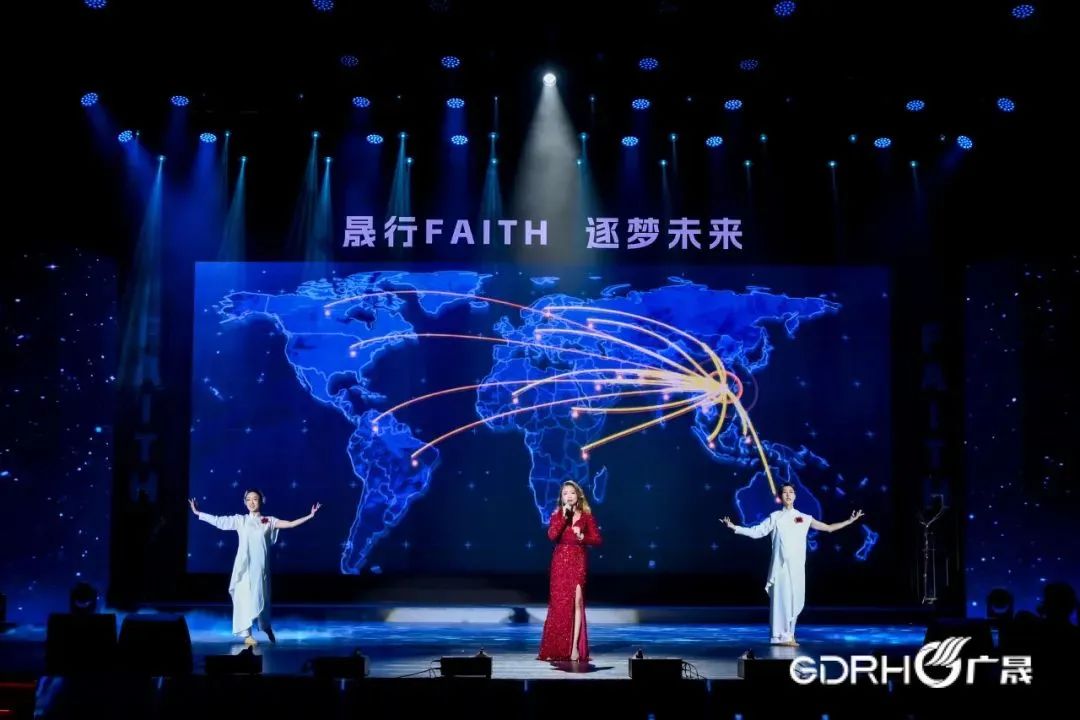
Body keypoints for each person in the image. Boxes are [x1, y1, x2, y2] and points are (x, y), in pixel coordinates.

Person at [721, 483, 863, 646]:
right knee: (781, 601)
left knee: (795, 600)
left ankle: (789, 635)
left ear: (795, 495)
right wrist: (734, 527)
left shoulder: (804, 517)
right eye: (785, 492)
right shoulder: (775, 517)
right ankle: (779, 636)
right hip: (780, 567)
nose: (788, 495)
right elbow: (756, 532)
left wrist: (849, 521)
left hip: (796, 568)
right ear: (780, 497)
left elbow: (828, 528)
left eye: (791, 492)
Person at [189, 490, 321, 644]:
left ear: (261, 501)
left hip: (260, 568)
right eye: (248, 499)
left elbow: (290, 524)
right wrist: (198, 513)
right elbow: (219, 521)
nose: (251, 502)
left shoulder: (268, 520)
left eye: (255, 499)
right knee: (244, 598)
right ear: (245, 502)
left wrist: (310, 515)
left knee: (261, 598)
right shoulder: (240, 520)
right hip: (244, 568)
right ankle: (247, 635)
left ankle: (266, 627)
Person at [537, 480, 602, 662]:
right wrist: (564, 518)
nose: (569, 496)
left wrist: (583, 537)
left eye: (572, 492)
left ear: (578, 495)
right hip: (560, 563)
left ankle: (574, 648)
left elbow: (597, 540)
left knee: (578, 601)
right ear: (562, 497)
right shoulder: (557, 514)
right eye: (565, 493)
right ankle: (557, 647)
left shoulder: (586, 516)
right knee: (560, 604)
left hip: (578, 560)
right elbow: (552, 535)